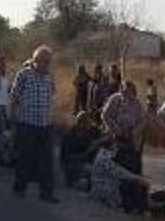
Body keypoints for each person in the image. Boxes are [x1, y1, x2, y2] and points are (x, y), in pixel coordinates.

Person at [9, 45, 58, 202]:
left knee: (47, 160)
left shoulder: (49, 77)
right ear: (36, 61)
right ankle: (20, 188)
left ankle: (46, 192)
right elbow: (14, 97)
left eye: (49, 62)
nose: (48, 65)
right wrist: (13, 119)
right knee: (25, 158)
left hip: (45, 124)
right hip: (27, 123)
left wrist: (51, 117)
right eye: (45, 61)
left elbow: (52, 95)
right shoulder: (24, 75)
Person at [102, 80, 147, 212]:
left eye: (130, 92)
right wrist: (116, 129)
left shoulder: (137, 104)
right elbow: (105, 116)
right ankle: (121, 200)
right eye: (125, 91)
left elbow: (143, 121)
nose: (127, 94)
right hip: (118, 139)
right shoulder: (116, 100)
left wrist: (134, 131)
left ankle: (135, 202)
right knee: (120, 169)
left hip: (132, 141)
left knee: (133, 170)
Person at [88, 145, 152, 211]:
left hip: (100, 190)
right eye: (116, 147)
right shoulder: (106, 158)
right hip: (105, 193)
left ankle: (144, 205)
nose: (117, 149)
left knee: (135, 182)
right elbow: (120, 173)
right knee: (134, 184)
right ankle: (142, 206)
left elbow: (119, 171)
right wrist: (139, 178)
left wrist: (139, 177)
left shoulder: (101, 154)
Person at [61, 111, 103, 188]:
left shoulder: (86, 135)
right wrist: (87, 152)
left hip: (82, 165)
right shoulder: (69, 137)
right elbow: (67, 157)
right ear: (80, 123)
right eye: (86, 123)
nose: (88, 126)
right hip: (73, 166)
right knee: (92, 173)